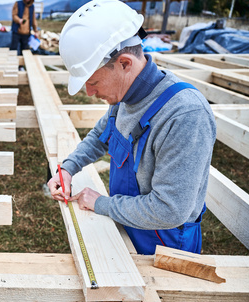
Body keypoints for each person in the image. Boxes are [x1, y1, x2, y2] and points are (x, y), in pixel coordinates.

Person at [47, 0, 216, 255]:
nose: (90, 92)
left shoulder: (184, 115)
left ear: (125, 63)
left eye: (93, 82)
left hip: (165, 246)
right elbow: (99, 136)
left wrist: (101, 204)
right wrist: (68, 168)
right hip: (127, 224)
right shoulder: (126, 94)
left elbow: (169, 209)